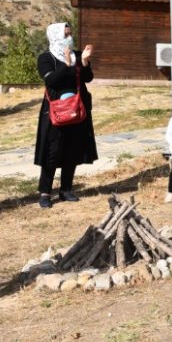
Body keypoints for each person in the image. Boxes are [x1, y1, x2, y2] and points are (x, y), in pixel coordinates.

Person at [34, 22, 97, 209]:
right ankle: (45, 191)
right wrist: (67, 64)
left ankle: (66, 189)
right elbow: (51, 81)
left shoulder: (77, 54)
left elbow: (87, 77)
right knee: (52, 152)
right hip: (55, 110)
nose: (69, 37)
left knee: (72, 148)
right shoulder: (46, 58)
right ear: (55, 36)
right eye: (65, 34)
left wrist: (84, 61)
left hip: (78, 109)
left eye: (70, 34)